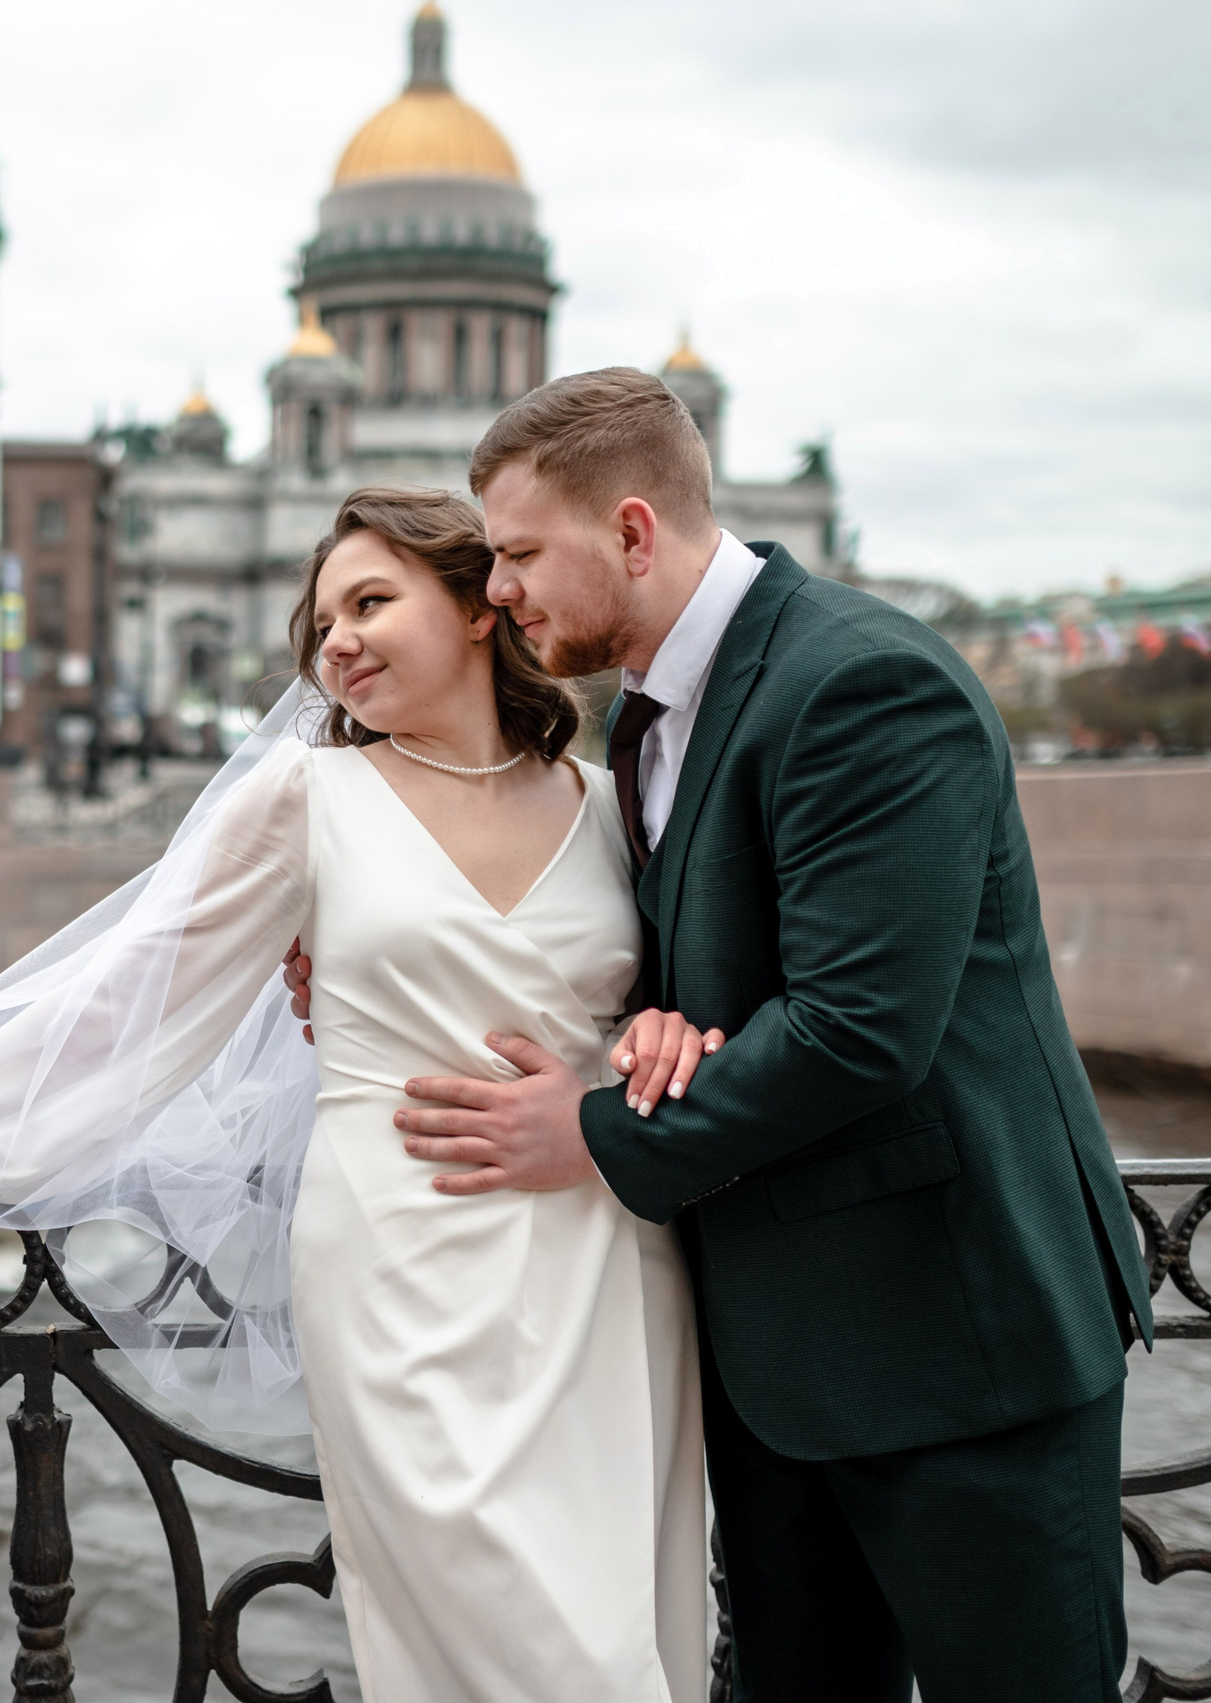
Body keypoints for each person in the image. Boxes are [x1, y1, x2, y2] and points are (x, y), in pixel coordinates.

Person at [0, 486, 715, 1701]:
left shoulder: (607, 803)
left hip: (605, 1249)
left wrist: (654, 1034)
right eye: (322, 621)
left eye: (372, 601)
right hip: (403, 1257)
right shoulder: (305, 796)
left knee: (623, 1615)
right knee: (525, 1640)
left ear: (480, 607)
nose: (337, 642)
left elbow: (680, 992)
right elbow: (126, 1001)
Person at [329, 367, 1151, 1702]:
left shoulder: (862, 679)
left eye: (525, 554)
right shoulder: (654, 709)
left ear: (636, 531)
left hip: (956, 1345)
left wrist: (589, 1132)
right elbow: (710, 965)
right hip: (778, 1356)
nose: (500, 594)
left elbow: (858, 1027)